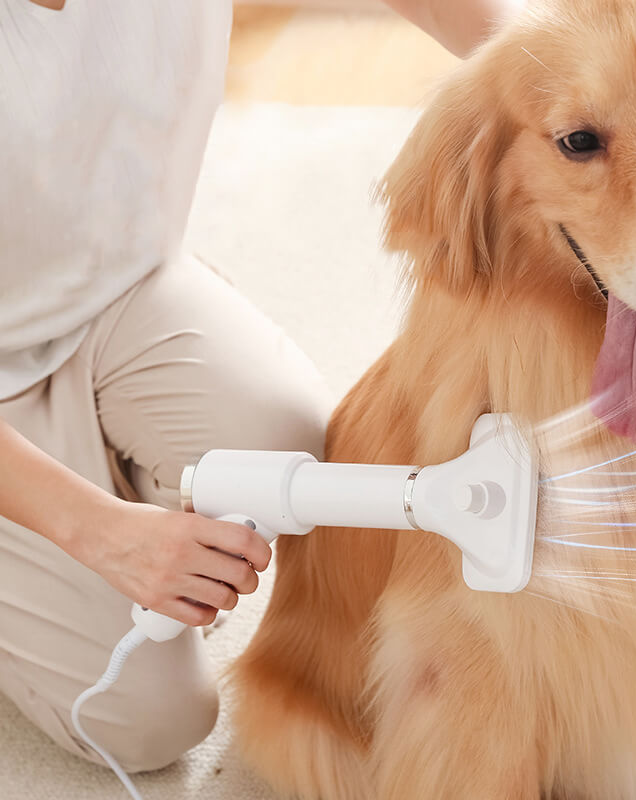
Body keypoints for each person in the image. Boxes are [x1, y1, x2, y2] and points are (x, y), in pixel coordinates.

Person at [0, 0, 523, 775]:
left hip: (117, 292)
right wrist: (99, 533)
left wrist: (560, 68)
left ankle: (91, 488)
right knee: (145, 722)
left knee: (292, 444)